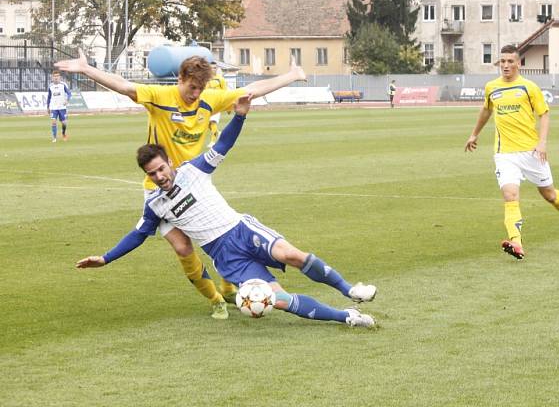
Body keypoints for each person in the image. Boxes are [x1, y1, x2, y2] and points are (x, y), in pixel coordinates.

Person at [76, 95, 377, 328]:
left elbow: (223, 145)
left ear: (169, 162)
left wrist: (240, 116)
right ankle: (347, 317)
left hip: (241, 230)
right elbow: (137, 235)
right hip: (225, 256)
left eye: (161, 169)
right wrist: (105, 258)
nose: (159, 176)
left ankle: (351, 290)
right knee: (279, 299)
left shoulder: (193, 170)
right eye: (152, 174)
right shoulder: (155, 204)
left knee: (292, 256)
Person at [56, 51, 306, 319]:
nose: (196, 93)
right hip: (159, 190)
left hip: (193, 185)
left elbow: (252, 89)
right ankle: (215, 298)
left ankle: (230, 287)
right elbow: (125, 86)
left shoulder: (207, 99)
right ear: (181, 78)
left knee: (218, 235)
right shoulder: (160, 97)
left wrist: (291, 75)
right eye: (192, 87)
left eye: (200, 88)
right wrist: (86, 70)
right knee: (183, 247)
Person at [464, 44, 559, 260]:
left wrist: (542, 143)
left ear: (518, 63)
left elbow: (544, 114)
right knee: (510, 195)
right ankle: (516, 241)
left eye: (510, 61)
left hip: (531, 152)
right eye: (503, 61)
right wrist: (474, 134)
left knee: (550, 195)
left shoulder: (529, 87)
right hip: (504, 153)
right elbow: (487, 110)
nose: (506, 65)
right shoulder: (492, 87)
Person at [205, 62, 228, 146]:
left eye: (215, 68)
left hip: (217, 104)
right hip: (208, 104)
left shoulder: (220, 79)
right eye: (211, 68)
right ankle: (217, 133)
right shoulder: (206, 80)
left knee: (213, 122)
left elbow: (225, 92)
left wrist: (226, 105)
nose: (213, 69)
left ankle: (213, 141)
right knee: (206, 123)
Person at [47, 70, 71, 142]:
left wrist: (67, 100)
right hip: (53, 107)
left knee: (64, 123)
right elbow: (49, 97)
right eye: (54, 76)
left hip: (62, 107)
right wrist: (48, 107)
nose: (56, 77)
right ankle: (54, 138)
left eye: (57, 76)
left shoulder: (63, 85)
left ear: (60, 77)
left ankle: (63, 133)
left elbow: (69, 94)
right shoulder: (50, 86)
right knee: (53, 122)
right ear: (52, 77)